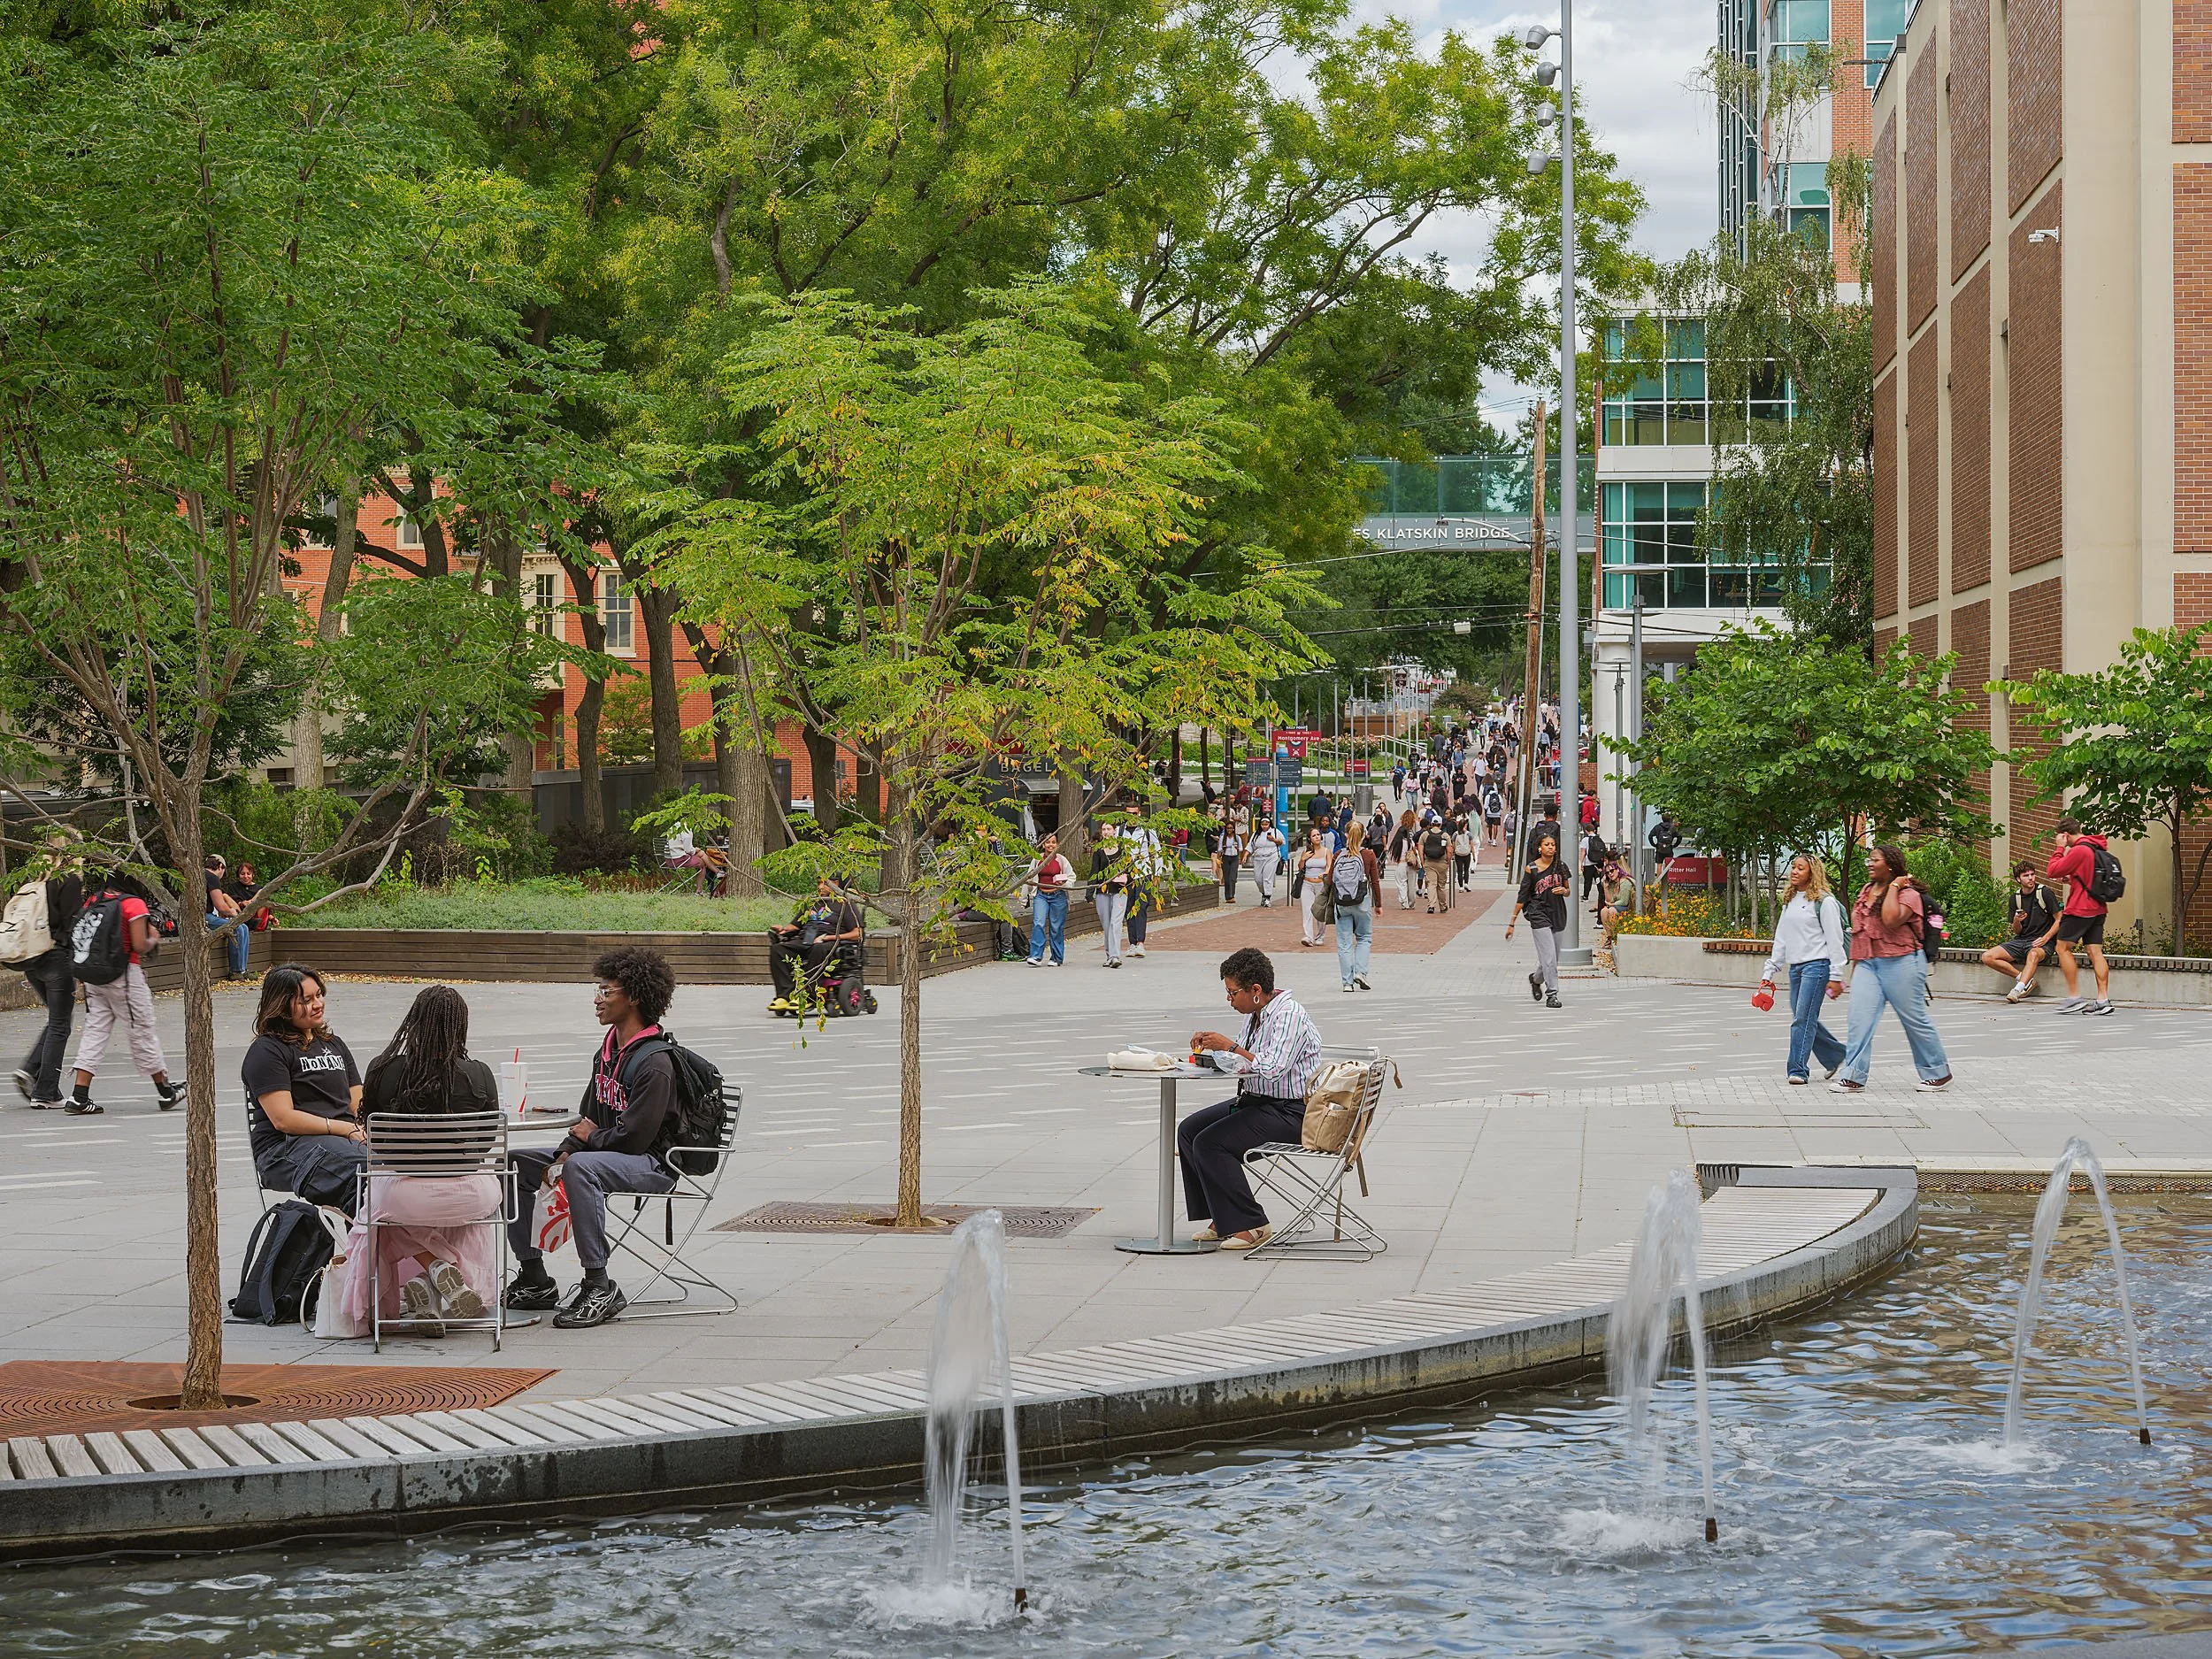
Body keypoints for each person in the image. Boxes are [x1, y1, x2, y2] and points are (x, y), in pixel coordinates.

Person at [503, 949, 683, 1329]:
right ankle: (535, 1278)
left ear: (633, 997)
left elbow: (635, 1139)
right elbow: (587, 1120)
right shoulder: (607, 1053)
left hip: (651, 1163)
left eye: (606, 991)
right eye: (597, 990)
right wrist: (564, 1153)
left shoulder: (655, 1062)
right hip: (605, 1152)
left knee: (582, 1168)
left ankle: (599, 1285)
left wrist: (585, 1145)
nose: (597, 999)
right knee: (515, 1163)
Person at [341, 984, 503, 1334]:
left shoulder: (382, 1070)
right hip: (469, 1194)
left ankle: (432, 1272)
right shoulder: (480, 1073)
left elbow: (375, 1137)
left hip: (405, 1195)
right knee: (464, 1215)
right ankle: (438, 1280)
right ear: (460, 1026)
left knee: (382, 1212)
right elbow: (487, 1141)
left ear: (413, 1023)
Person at [1176, 948, 1324, 1252]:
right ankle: (1223, 1217)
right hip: (1258, 1102)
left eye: (1232, 993)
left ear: (1255, 990)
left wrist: (1229, 1046)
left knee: (1211, 1142)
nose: (1229, 1000)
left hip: (1294, 1113)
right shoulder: (1257, 1015)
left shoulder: (1288, 1014)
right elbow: (1244, 1061)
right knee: (1189, 1131)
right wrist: (1212, 1052)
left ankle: (1251, 1224)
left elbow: (1271, 1068)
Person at [1832, 844, 1954, 1093]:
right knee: (1859, 1020)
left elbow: (1890, 920)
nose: (1869, 863)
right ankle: (1853, 1075)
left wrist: (1895, 886)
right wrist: (1856, 969)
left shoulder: (1908, 893)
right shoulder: (1866, 890)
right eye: (1869, 859)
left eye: (1874, 860)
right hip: (1868, 963)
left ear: (1890, 865)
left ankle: (1937, 1072)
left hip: (1903, 962)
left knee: (1914, 1020)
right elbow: (1860, 934)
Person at [243, 963, 365, 1209]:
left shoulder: (334, 1044)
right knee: (364, 1175)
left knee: (392, 1171)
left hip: (342, 1142)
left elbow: (358, 1104)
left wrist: (369, 1132)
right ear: (282, 1005)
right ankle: (366, 1246)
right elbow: (283, 1119)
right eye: (306, 1000)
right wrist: (344, 1129)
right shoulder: (267, 1050)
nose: (317, 1004)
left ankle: (382, 1245)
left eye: (319, 995)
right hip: (284, 1149)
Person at [66, 875, 184, 1116]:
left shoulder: (94, 901)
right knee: (142, 1030)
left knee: (95, 1031)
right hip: (124, 975)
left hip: (94, 978)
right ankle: (165, 1091)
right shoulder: (133, 904)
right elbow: (140, 945)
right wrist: (153, 937)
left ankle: (79, 1096)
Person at [1757, 854, 1847, 1085]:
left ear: (1812, 873)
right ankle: (1836, 1054)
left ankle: (1797, 1069)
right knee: (1804, 1018)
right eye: (1794, 867)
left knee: (1802, 1020)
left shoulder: (1825, 902)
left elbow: (1835, 940)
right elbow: (1782, 938)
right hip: (1796, 968)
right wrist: (1769, 972)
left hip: (1817, 967)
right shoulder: (1790, 900)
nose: (1794, 872)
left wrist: (1836, 975)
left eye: (1801, 868)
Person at [11, 856, 83, 1111]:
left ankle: (31, 1071)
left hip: (33, 960)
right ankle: (45, 1091)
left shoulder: (38, 880)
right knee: (60, 1025)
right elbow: (73, 925)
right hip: (57, 958)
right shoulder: (70, 880)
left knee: (57, 1021)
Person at [2046, 818, 2116, 1015]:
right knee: (2095, 952)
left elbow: (2052, 870)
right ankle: (2103, 1000)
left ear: (2065, 835)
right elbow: (2089, 876)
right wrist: (2072, 880)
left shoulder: (2078, 850)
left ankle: (2074, 997)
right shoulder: (2094, 847)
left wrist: (2060, 849)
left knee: (2062, 948)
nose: (2061, 840)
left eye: (2061, 837)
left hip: (2079, 909)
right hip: (2098, 907)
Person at [766, 875, 865, 1010]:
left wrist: (830, 937)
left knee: (818, 948)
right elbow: (795, 927)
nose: (819, 887)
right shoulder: (812, 903)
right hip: (806, 940)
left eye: (823, 884)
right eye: (818, 883)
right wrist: (782, 930)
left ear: (835, 884)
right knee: (778, 950)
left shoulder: (845, 904)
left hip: (831, 943)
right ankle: (784, 996)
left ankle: (808, 996)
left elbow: (858, 934)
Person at [1984, 862, 2062, 1002]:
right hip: (2021, 940)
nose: (2031, 878)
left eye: (2032, 874)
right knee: (1988, 957)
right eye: (2026, 876)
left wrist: (2045, 938)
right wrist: (2016, 920)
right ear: (2018, 879)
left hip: (2043, 943)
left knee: (2033, 954)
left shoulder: (2044, 892)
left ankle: (2017, 990)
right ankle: (2025, 980)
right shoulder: (2015, 898)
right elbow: (2017, 930)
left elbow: (2059, 919)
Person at [1507, 833, 1571, 1007]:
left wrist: (1563, 892)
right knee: (1549, 958)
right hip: (1538, 913)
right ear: (1539, 848)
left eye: (1553, 844)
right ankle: (1552, 995)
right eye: (1547, 844)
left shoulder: (1560, 867)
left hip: (1557, 913)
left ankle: (1536, 979)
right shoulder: (1532, 868)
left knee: (1552, 959)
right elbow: (1523, 896)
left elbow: (1568, 890)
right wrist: (1512, 922)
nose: (1551, 847)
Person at [1332, 821, 1380, 993]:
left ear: (1345, 835)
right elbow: (1375, 881)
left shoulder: (1338, 855)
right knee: (1364, 938)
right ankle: (1360, 972)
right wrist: (1378, 904)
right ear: (1363, 835)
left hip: (1342, 904)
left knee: (1344, 944)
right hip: (1361, 901)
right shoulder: (1368, 855)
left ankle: (1347, 983)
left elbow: (1330, 881)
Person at [1025, 833, 1075, 966]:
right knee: (1038, 923)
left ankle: (1056, 958)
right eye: (1048, 843)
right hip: (1041, 895)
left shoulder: (1061, 860)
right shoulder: (1037, 860)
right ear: (1043, 845)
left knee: (1056, 927)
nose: (1050, 845)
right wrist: (1025, 896)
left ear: (1057, 844)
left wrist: (1063, 884)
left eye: (1053, 842)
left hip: (1058, 895)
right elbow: (1028, 877)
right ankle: (1036, 956)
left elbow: (1071, 877)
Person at [1122, 802, 1164, 955]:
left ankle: (1140, 942)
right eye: (1129, 813)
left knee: (1141, 907)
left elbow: (1157, 853)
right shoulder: (1120, 832)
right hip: (1126, 876)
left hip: (1143, 873)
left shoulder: (1147, 831)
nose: (1132, 816)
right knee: (1128, 908)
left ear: (1139, 813)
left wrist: (1157, 874)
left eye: (1134, 813)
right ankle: (1132, 942)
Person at [1090, 823, 1130, 969]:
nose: (1106, 832)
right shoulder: (1098, 851)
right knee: (1107, 925)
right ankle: (1109, 956)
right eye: (1104, 829)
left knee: (1115, 923)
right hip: (1103, 892)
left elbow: (1131, 869)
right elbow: (1094, 871)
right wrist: (1090, 892)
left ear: (1114, 831)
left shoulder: (1123, 849)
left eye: (1109, 829)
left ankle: (1115, 956)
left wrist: (1127, 880)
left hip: (1120, 891)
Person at [1292, 826, 1331, 947]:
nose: (1317, 837)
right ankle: (1308, 936)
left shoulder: (1326, 851)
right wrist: (1302, 859)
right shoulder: (1307, 852)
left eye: (1318, 835)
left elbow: (1330, 867)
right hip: (1307, 884)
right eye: (1314, 836)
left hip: (1320, 884)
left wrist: (1325, 873)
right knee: (1307, 910)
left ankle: (1320, 936)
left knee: (1319, 911)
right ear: (1309, 839)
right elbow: (1300, 867)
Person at [1595, 858, 1634, 947]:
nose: (1610, 874)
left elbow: (1624, 901)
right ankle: (1610, 937)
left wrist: (1611, 905)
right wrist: (1605, 887)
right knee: (1604, 911)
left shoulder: (1625, 881)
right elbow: (1610, 900)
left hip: (1629, 906)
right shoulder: (1613, 883)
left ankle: (1616, 936)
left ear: (1617, 869)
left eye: (1612, 871)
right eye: (1607, 873)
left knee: (1612, 910)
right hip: (1618, 906)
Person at [1420, 810, 1453, 915]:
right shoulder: (1445, 835)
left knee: (1431, 884)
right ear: (1440, 824)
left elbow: (1420, 849)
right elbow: (1449, 850)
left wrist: (1423, 861)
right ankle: (1443, 906)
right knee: (1441, 886)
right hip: (1442, 862)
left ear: (1431, 823)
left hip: (1429, 862)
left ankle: (1431, 905)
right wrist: (1448, 861)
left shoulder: (1425, 835)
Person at [1248, 816, 1286, 908]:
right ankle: (1264, 893)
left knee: (1267, 877)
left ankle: (1267, 896)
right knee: (1258, 879)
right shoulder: (1256, 834)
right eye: (1263, 824)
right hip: (1258, 858)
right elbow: (1250, 845)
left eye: (1266, 824)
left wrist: (1273, 839)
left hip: (1271, 856)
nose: (1264, 826)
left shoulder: (1275, 832)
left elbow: (1282, 842)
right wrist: (1245, 855)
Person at [1388, 809, 1422, 909]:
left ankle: (1404, 903)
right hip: (1411, 863)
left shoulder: (1397, 843)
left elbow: (1393, 855)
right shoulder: (1410, 842)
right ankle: (1412, 902)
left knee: (1401, 883)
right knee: (1412, 885)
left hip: (1401, 864)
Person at [1215, 816, 1246, 906]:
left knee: (1233, 877)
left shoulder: (1237, 838)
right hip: (1226, 857)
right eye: (1228, 828)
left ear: (1233, 829)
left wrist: (1237, 848)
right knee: (1227, 878)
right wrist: (1223, 848)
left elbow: (1241, 848)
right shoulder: (1223, 838)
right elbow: (1219, 848)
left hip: (1234, 857)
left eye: (1231, 828)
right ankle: (1227, 896)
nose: (1229, 830)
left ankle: (1232, 895)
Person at [1450, 811, 1474, 891]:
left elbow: (1453, 845)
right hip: (1467, 853)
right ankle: (1466, 883)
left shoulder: (1455, 834)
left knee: (1459, 870)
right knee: (1466, 870)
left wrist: (1453, 853)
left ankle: (1461, 886)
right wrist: (1473, 855)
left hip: (1458, 854)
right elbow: (1472, 846)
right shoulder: (1469, 834)